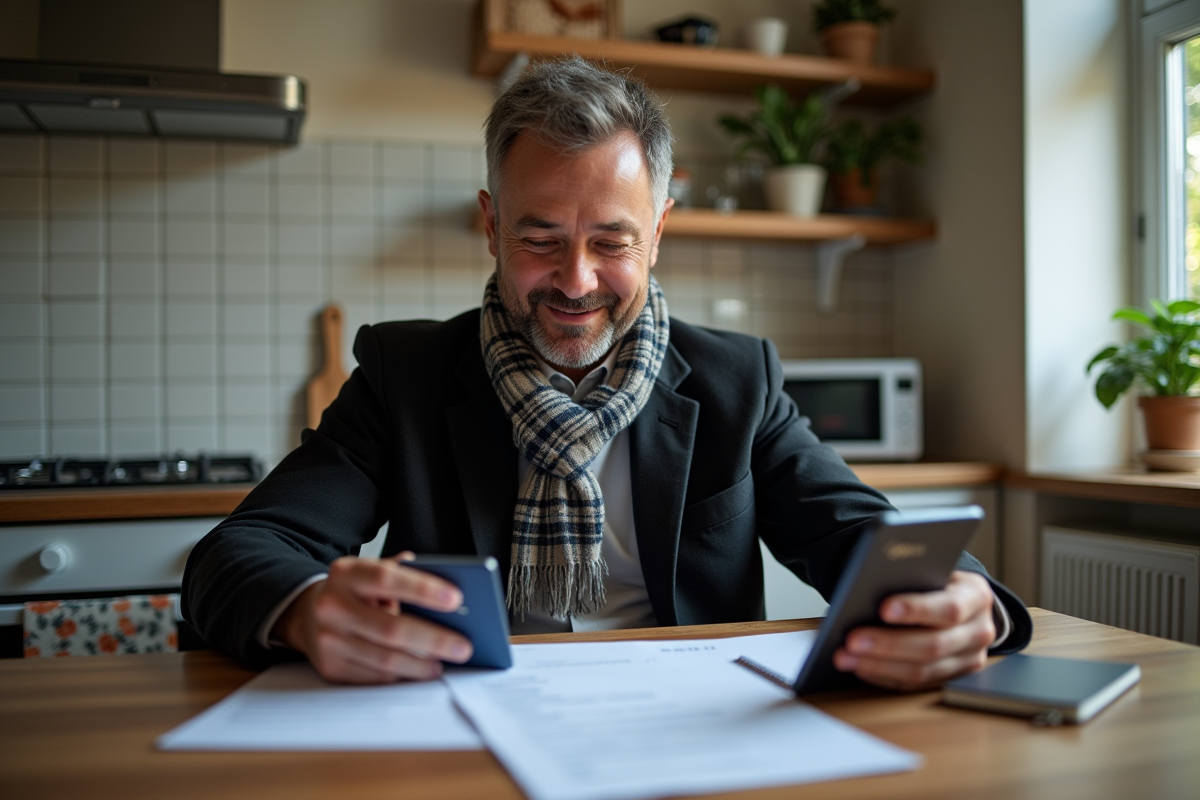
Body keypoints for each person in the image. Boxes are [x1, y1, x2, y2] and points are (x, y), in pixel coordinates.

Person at [183, 56, 1030, 689]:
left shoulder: (739, 381)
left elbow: (861, 537)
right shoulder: (404, 375)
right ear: (491, 227)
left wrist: (968, 604)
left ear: (659, 231)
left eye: (612, 243)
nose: (576, 281)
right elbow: (238, 553)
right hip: (464, 722)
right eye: (540, 239)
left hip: (691, 728)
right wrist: (302, 608)